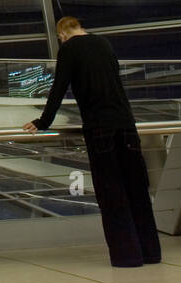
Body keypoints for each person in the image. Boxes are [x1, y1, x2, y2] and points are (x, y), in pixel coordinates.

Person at [23, 16, 161, 268]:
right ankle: (151, 252)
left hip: (101, 128)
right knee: (137, 190)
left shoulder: (69, 49)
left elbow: (58, 88)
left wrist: (43, 121)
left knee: (112, 193)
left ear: (62, 35)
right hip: (126, 125)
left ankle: (127, 256)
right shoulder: (104, 44)